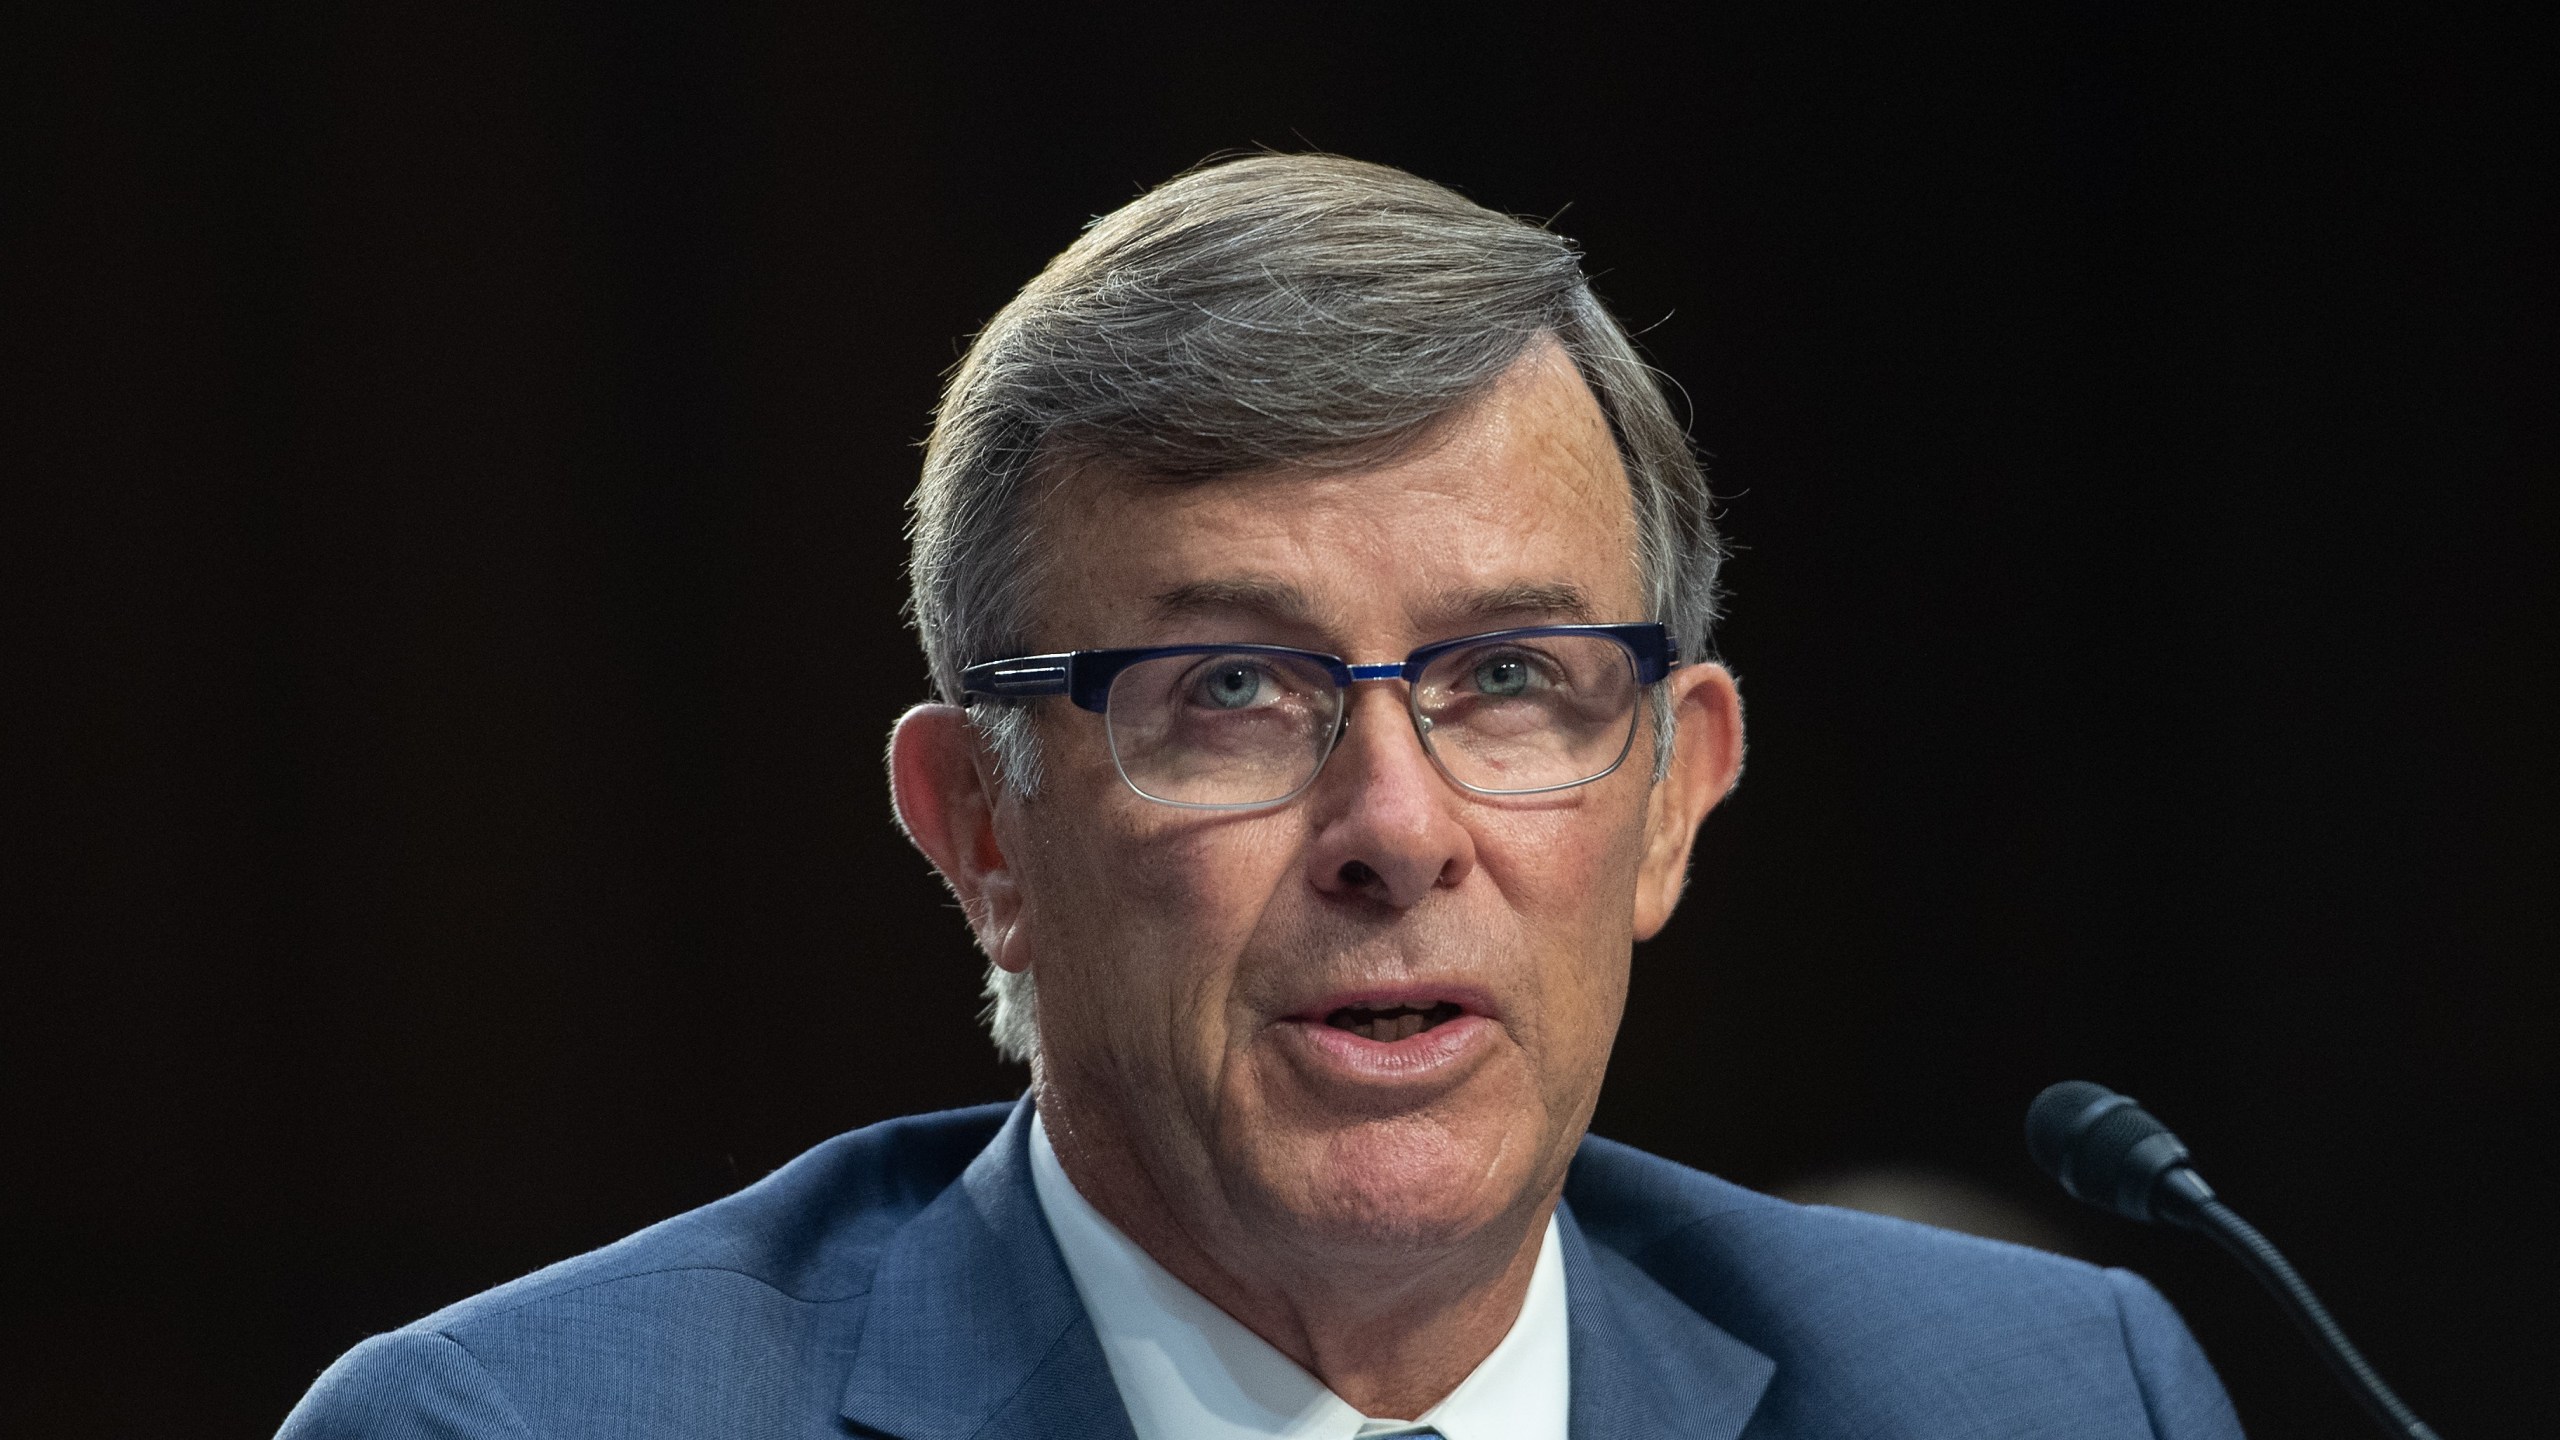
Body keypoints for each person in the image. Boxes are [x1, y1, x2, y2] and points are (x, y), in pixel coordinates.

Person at [280, 154, 2244, 1439]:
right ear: (980, 832)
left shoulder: (2040, 1400)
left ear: (1668, 795)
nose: (1393, 825)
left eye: (1508, 681)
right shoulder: (531, 1429)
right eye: (1230, 689)